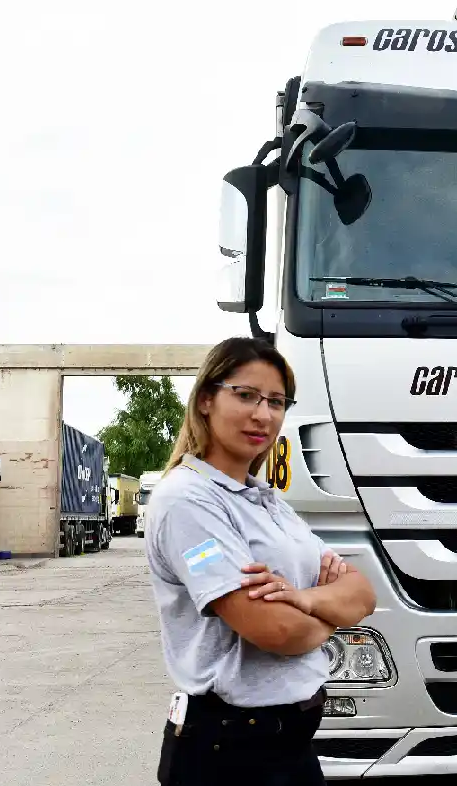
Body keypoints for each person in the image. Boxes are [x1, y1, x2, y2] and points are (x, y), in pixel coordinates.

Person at [144, 336, 376, 786]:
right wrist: (328, 612)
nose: (263, 415)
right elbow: (276, 631)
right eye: (246, 395)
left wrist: (303, 599)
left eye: (276, 401)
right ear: (206, 399)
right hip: (228, 752)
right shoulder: (188, 501)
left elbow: (363, 593)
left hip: (289, 745)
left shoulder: (266, 501)